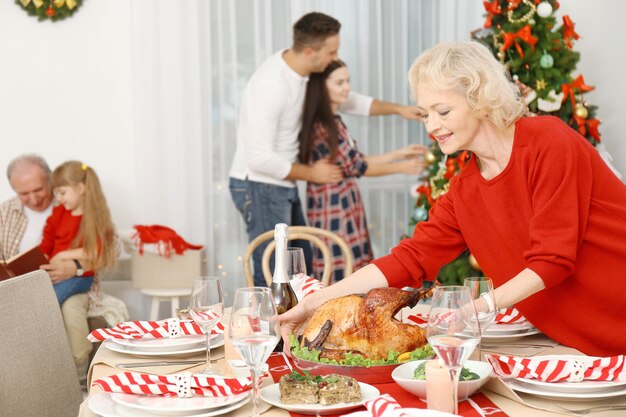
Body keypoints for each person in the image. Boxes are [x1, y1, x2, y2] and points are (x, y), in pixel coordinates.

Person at [279, 41, 626, 357]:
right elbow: (409, 259)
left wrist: (479, 307)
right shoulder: (465, 191)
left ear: (480, 98)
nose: (432, 126)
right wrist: (313, 304)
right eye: (425, 114)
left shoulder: (548, 143)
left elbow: (553, 259)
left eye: (442, 111)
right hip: (583, 347)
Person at [229, 12, 421, 287]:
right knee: (274, 271)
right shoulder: (271, 86)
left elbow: (349, 101)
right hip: (259, 185)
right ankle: (271, 329)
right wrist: (312, 173)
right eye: (332, 51)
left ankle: (295, 327)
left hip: (282, 183)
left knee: (299, 266)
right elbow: (257, 158)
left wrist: (398, 109)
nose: (335, 57)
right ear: (309, 51)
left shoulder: (304, 74)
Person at [299, 60, 427, 282]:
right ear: (321, 86)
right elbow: (359, 167)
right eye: (340, 82)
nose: (347, 87)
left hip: (344, 203)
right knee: (339, 267)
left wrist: (398, 154)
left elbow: (352, 163)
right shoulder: (322, 125)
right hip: (334, 208)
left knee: (350, 264)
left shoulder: (334, 122)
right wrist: (401, 167)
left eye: (347, 81)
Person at [0, 154, 94, 381]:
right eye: (24, 193)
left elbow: (110, 247)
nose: (32, 198)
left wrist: (76, 267)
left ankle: (76, 379)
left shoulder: (71, 201)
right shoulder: (6, 211)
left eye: (38, 189)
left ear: (50, 181)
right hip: (18, 287)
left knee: (62, 308)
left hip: (71, 282)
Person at [41, 160, 117, 305]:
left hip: (80, 277)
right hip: (56, 275)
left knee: (48, 303)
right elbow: (47, 242)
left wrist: (61, 255)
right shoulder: (58, 213)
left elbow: (94, 251)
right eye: (56, 193)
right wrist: (40, 259)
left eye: (62, 192)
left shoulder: (94, 218)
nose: (58, 198)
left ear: (81, 188)